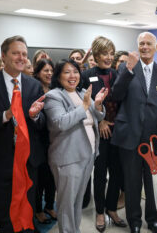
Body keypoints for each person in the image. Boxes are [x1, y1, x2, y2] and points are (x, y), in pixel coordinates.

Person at [0, 35, 47, 232]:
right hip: (0, 160)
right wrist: (5, 115)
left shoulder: (33, 85)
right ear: (3, 56)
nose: (21, 58)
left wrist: (34, 117)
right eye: (16, 53)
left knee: (27, 209)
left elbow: (43, 123)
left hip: (28, 160)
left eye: (24, 54)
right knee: (5, 214)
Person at [111, 32, 157, 233]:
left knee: (153, 181)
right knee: (131, 182)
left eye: (148, 44)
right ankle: (135, 221)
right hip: (129, 135)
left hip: (154, 139)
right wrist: (128, 70)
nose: (144, 47)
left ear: (156, 47)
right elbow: (116, 95)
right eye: (141, 44)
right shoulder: (126, 68)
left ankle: (153, 219)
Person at [44, 59, 108, 233]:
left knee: (78, 201)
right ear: (58, 76)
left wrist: (98, 104)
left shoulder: (81, 93)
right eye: (67, 72)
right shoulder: (54, 96)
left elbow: (98, 116)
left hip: (87, 154)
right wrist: (86, 105)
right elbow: (60, 123)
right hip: (67, 158)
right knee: (66, 204)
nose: (73, 76)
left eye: (75, 71)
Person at [81, 36, 126, 232]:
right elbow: (83, 103)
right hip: (99, 133)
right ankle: (100, 211)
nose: (108, 57)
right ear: (96, 55)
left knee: (117, 174)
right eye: (104, 54)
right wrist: (100, 120)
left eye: (111, 54)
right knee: (100, 174)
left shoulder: (117, 74)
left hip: (118, 132)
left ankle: (111, 209)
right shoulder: (87, 75)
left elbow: (124, 102)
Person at [32, 59, 57, 224]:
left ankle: (49, 205)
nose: (49, 73)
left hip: (54, 139)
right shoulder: (33, 89)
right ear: (38, 72)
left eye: (51, 70)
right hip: (38, 139)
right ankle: (38, 210)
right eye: (45, 70)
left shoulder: (56, 89)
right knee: (39, 178)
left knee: (52, 177)